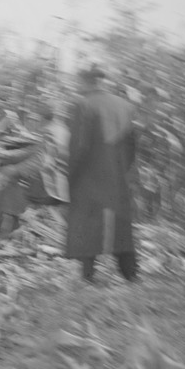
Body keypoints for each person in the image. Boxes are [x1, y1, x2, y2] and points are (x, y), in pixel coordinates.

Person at [65, 65, 139, 284]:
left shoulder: (82, 105)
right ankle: (130, 274)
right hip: (117, 176)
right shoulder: (125, 105)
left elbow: (79, 147)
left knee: (88, 227)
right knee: (121, 227)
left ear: (84, 82)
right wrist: (121, 169)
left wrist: (70, 177)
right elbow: (132, 145)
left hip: (89, 177)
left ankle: (88, 276)